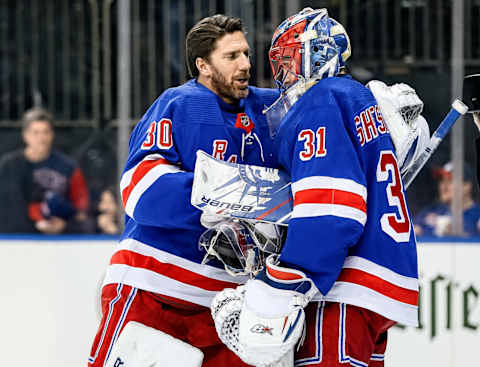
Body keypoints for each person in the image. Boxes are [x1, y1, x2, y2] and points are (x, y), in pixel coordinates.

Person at [211, 8, 420, 367]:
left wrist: (285, 280)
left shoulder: (319, 101)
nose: (282, 75)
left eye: (288, 61)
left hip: (342, 286)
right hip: (378, 280)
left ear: (317, 54)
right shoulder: (354, 98)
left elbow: (333, 211)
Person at [87, 14, 279, 367]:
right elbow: (139, 190)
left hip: (228, 308)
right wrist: (219, 200)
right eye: (232, 56)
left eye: (246, 54)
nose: (246, 65)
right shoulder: (179, 104)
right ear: (203, 65)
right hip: (155, 289)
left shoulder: (269, 109)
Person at [0, 107, 91, 234]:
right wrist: (35, 223)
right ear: (25, 135)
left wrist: (65, 224)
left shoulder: (68, 167)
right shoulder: (9, 166)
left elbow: (82, 209)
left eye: (45, 132)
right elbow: (7, 208)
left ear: (52, 134)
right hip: (17, 238)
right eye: (35, 133)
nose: (41, 138)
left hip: (62, 239)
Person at [413, 162, 480, 237]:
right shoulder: (429, 211)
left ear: (466, 186)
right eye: (442, 180)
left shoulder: (477, 215)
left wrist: (461, 233)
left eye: (450, 180)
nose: (444, 185)